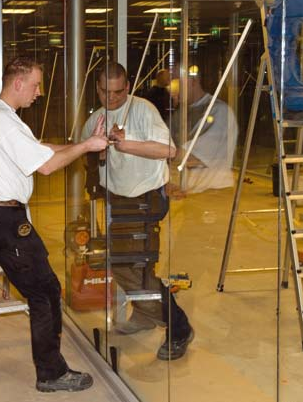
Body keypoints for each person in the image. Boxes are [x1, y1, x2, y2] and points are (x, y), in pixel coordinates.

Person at [0, 57, 109, 393]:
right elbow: (45, 166)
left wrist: (81, 145)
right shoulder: (3, 121)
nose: (39, 92)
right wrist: (88, 146)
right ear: (18, 83)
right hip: (5, 223)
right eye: (35, 84)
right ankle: (51, 373)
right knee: (45, 293)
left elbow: (39, 151)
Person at [81, 62, 193, 361]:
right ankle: (145, 314)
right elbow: (90, 160)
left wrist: (124, 144)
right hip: (116, 199)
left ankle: (179, 328)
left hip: (146, 197)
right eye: (106, 92)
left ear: (127, 86)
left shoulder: (143, 110)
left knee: (139, 271)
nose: (113, 98)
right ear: (98, 88)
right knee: (120, 266)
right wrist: (101, 150)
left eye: (119, 92)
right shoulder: (96, 119)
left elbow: (168, 150)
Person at [174, 66, 238, 194]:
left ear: (193, 82)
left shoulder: (219, 112)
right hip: (193, 191)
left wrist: (155, 151)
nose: (173, 91)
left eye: (178, 83)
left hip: (213, 191)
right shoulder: (183, 112)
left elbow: (190, 157)